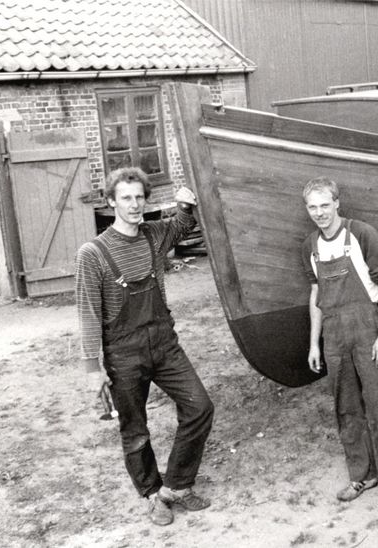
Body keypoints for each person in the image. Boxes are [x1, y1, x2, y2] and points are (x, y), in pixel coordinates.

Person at [75, 167, 214, 526]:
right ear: (111, 202)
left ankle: (176, 486)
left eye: (139, 197)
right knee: (135, 431)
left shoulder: (154, 235)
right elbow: (89, 315)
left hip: (164, 344)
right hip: (123, 354)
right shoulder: (93, 253)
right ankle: (153, 495)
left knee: (200, 406)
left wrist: (185, 203)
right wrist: (93, 371)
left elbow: (181, 226)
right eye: (126, 198)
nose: (135, 205)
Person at [301, 176, 378, 511]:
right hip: (333, 336)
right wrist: (314, 344)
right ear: (306, 209)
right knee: (346, 409)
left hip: (367, 330)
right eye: (312, 207)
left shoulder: (362, 234)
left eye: (325, 204)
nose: (320, 212)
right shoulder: (310, 246)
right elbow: (316, 295)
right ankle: (362, 474)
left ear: (337, 203)